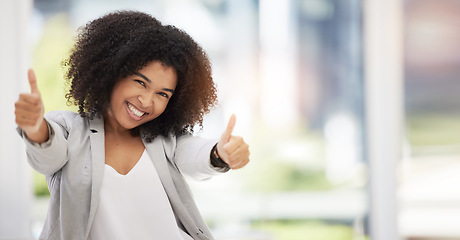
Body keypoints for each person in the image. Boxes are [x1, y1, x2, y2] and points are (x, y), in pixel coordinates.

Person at [14, 10, 250, 240]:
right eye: (140, 82)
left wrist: (220, 154)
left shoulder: (166, 141)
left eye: (163, 94)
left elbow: (194, 154)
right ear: (113, 71)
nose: (147, 101)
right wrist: (35, 127)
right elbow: (48, 156)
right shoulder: (68, 129)